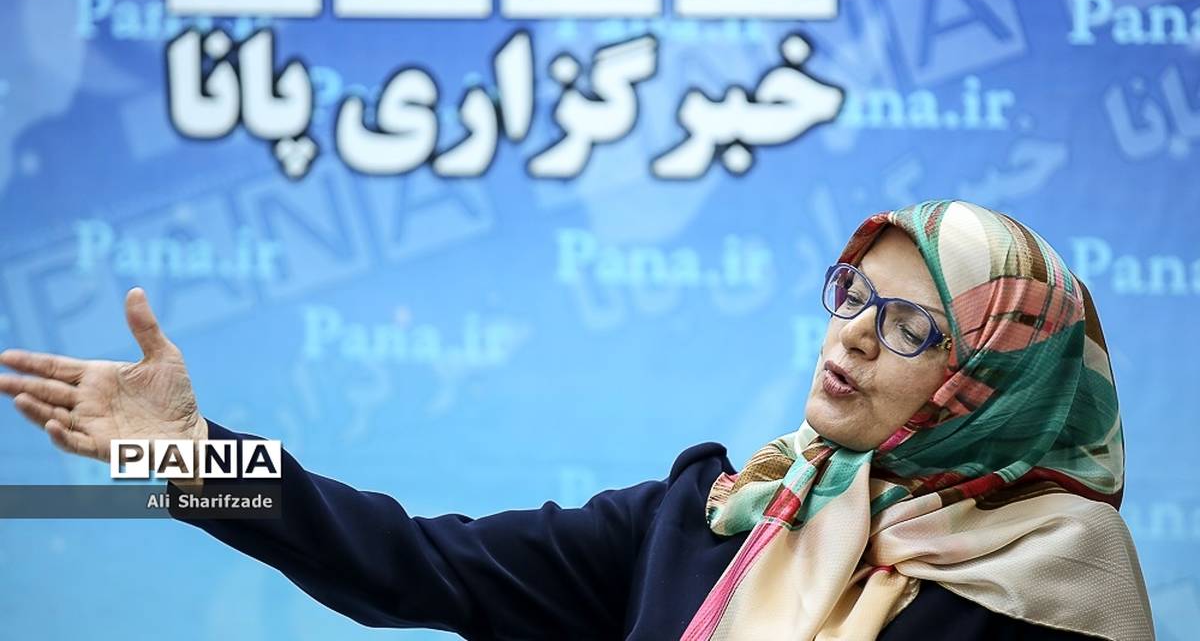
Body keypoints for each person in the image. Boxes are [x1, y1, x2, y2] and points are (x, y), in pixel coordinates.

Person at [0, 200, 1154, 640]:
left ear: (995, 382)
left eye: (909, 327)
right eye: (852, 295)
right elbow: (419, 563)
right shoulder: (715, 515)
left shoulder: (1043, 598)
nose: (849, 335)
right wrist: (185, 455)